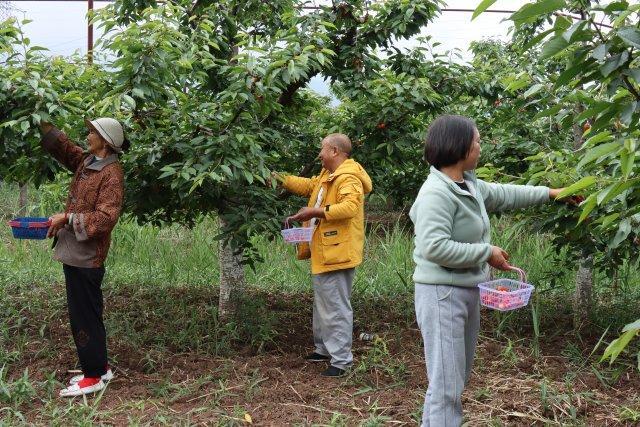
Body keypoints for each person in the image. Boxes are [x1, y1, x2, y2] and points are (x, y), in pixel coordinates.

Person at [410, 115, 576, 426]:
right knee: (446, 384)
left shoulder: (468, 184)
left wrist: (552, 193)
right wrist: (486, 252)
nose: (480, 147)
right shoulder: (436, 193)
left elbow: (506, 193)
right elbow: (433, 247)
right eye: (477, 141)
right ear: (460, 147)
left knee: (455, 378)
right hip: (441, 294)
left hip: (466, 290)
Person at [39, 118, 129, 397]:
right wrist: (44, 124)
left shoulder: (111, 174)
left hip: (88, 256)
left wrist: (67, 217)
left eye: (92, 132)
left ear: (105, 140)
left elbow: (105, 219)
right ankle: (99, 367)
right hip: (75, 253)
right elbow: (67, 149)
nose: (88, 136)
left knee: (84, 317)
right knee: (87, 313)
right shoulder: (89, 162)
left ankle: (94, 376)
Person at [275, 133, 372, 377]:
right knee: (324, 303)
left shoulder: (348, 178)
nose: (320, 154)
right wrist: (278, 178)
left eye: (323, 149)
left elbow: (349, 207)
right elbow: (308, 186)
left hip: (337, 252)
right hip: (326, 250)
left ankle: (341, 361)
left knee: (335, 306)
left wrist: (315, 212)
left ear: (335, 152)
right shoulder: (327, 176)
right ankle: (323, 348)